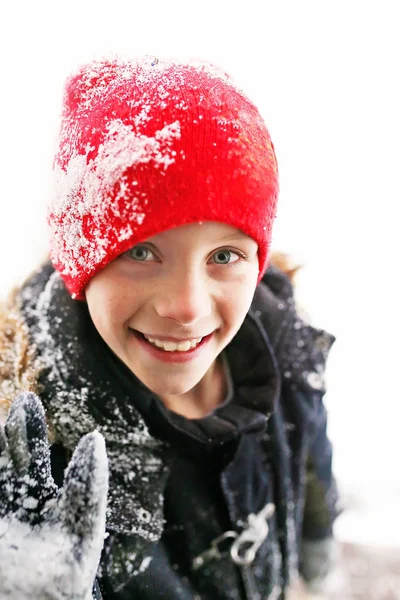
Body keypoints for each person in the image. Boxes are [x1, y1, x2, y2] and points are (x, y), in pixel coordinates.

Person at [0, 56, 339, 599]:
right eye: (140, 251)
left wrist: (318, 536)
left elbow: (310, 453)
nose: (186, 306)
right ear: (81, 264)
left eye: (225, 255)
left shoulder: (283, 342)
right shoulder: (30, 451)